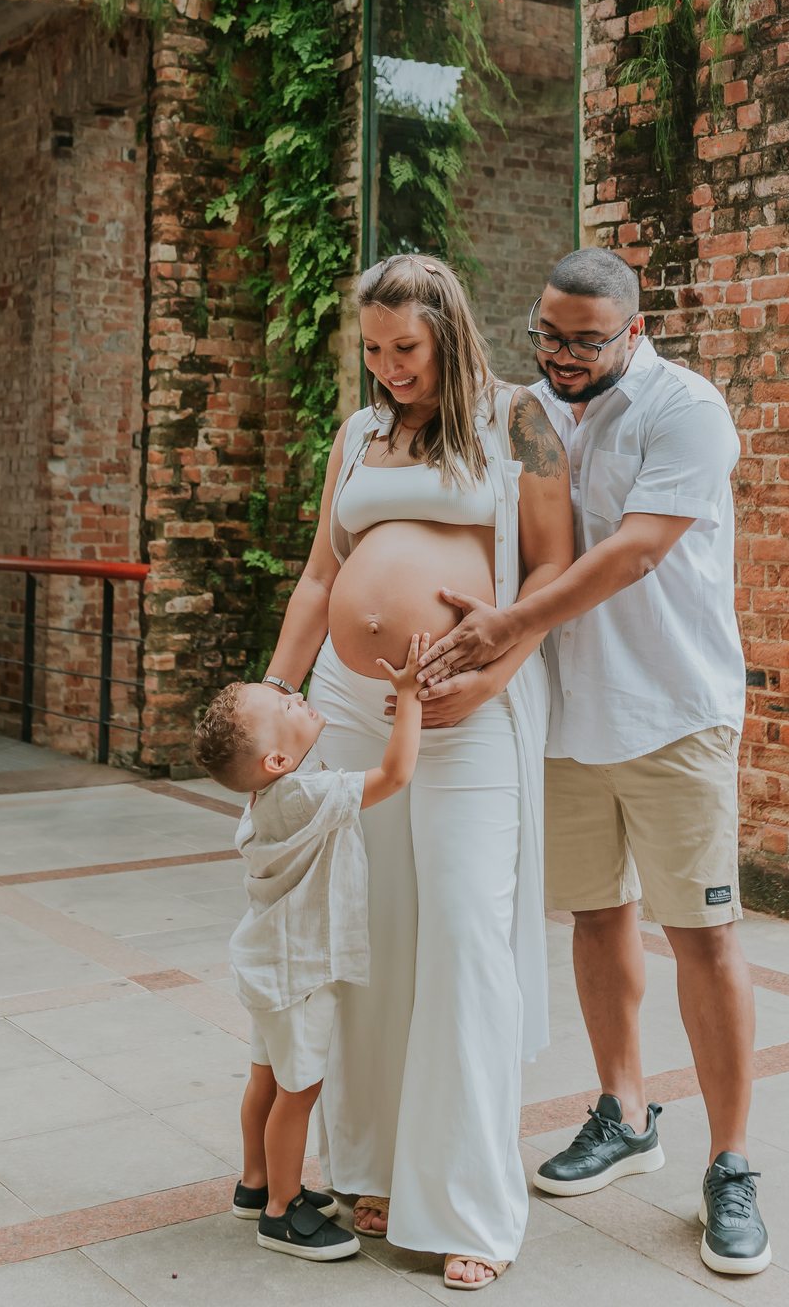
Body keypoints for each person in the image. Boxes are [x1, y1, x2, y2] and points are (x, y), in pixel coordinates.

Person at [416, 246, 771, 1278]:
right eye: (549, 334)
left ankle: (733, 1162)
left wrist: (507, 626)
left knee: (702, 933)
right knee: (597, 917)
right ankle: (624, 1111)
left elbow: (636, 550)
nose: (563, 356)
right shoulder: (530, 410)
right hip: (567, 716)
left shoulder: (685, 409)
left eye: (586, 340)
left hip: (675, 715)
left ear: (635, 328)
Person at [256, 252, 573, 1290]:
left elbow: (556, 570)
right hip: (351, 708)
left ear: (450, 331)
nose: (392, 369)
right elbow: (319, 578)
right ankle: (376, 1164)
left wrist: (493, 680)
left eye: (410, 350)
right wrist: (272, 699)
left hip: (469, 710)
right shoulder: (355, 437)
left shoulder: (517, 418)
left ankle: (474, 1201)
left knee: (464, 936)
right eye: (376, 352)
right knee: (371, 933)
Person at [192, 634, 428, 1263]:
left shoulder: (266, 799)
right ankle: (282, 1212)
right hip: (299, 974)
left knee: (264, 1079)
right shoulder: (308, 796)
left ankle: (254, 1183)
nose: (295, 694)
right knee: (298, 1094)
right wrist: (407, 696)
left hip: (268, 965)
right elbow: (396, 773)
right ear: (274, 761)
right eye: (286, 707)